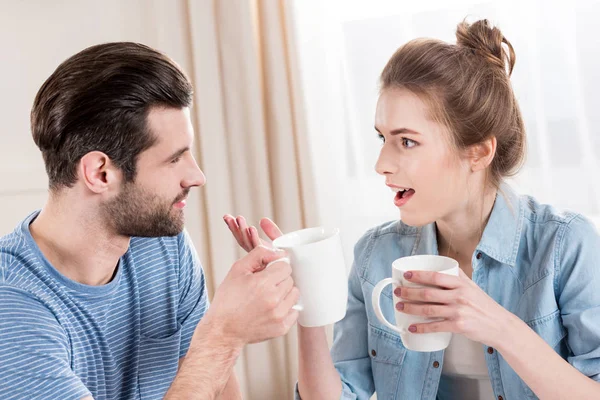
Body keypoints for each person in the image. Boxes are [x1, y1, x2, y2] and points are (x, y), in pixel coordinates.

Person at [226, 19, 600, 399]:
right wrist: (307, 299)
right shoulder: (375, 255)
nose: (381, 164)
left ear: (478, 151)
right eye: (382, 138)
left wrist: (497, 325)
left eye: (406, 142)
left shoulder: (566, 244)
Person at [0, 42, 300, 400]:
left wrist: (222, 337)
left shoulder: (162, 247)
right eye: (174, 159)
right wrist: (223, 335)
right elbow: (212, 354)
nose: (197, 176)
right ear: (100, 173)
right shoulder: (12, 305)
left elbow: (217, 390)